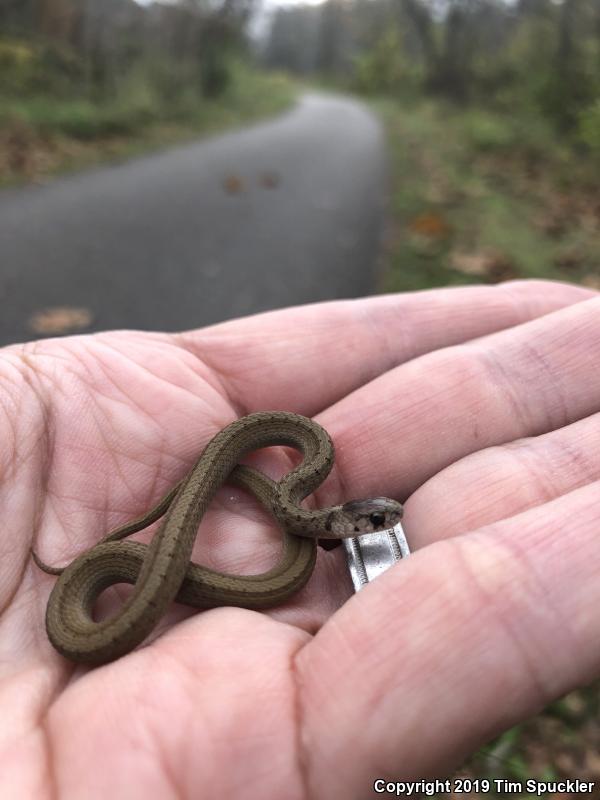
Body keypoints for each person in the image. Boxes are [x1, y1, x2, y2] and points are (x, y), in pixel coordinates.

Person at [3, 279, 598, 797]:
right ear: (341, 524)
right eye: (371, 523)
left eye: (377, 521)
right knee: (194, 550)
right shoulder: (299, 505)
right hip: (122, 599)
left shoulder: (306, 485)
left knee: (253, 561)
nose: (382, 523)